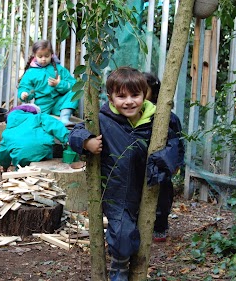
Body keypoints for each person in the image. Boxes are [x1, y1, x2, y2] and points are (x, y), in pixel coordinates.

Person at [68, 67, 180, 281]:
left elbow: (175, 144)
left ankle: (138, 259)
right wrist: (86, 141)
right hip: (118, 190)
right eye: (121, 96)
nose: (129, 102)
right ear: (110, 98)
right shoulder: (103, 119)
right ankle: (119, 266)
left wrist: (168, 161)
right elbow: (74, 132)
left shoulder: (158, 119)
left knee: (153, 219)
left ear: (145, 94)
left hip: (150, 187)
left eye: (135, 95)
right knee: (121, 232)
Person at [143, 72, 185, 242]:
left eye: (142, 91)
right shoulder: (131, 115)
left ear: (153, 92)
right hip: (140, 165)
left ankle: (160, 226)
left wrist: (176, 162)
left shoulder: (168, 117)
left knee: (162, 196)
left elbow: (178, 142)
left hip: (162, 164)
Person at [17, 39, 78, 127]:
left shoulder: (59, 69)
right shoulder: (30, 72)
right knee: (38, 120)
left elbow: (73, 84)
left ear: (51, 55)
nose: (44, 59)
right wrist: (24, 94)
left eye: (47, 56)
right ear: (35, 56)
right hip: (42, 105)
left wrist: (59, 84)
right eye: (40, 56)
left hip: (59, 104)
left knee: (76, 93)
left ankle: (64, 117)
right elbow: (24, 87)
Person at [0, 103, 70, 172]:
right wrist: (66, 139)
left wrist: (5, 167)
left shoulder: (7, 133)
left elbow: (3, 153)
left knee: (20, 171)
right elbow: (54, 124)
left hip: (21, 158)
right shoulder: (37, 117)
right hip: (43, 151)